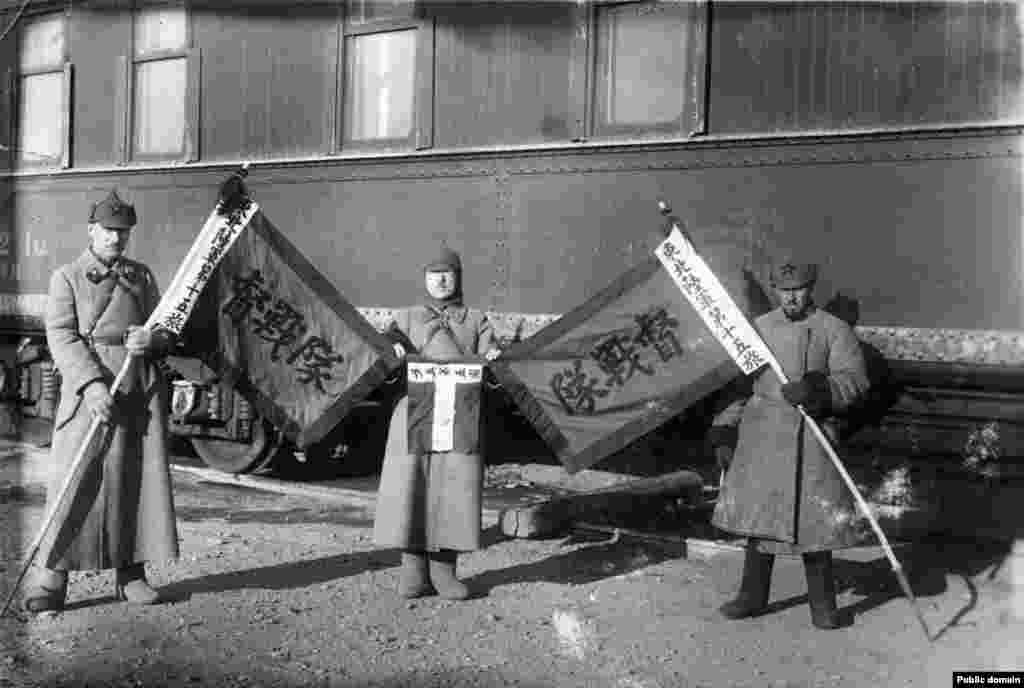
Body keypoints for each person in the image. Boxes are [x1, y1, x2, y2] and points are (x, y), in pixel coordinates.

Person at [24, 190, 179, 614]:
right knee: (74, 481)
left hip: (135, 389)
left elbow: (167, 328)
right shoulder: (66, 277)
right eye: (109, 231)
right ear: (92, 230)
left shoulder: (142, 277)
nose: (116, 239)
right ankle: (52, 580)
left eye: (123, 232)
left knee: (133, 482)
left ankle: (131, 575)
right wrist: (91, 385)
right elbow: (61, 335)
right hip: (85, 393)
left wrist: (155, 340)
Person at [707, 258, 870, 630]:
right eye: (784, 290)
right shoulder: (756, 330)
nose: (791, 298)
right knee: (759, 524)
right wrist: (723, 430)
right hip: (761, 439)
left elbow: (855, 380)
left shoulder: (834, 330)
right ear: (775, 290)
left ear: (811, 289)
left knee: (816, 528)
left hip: (812, 438)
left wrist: (818, 389)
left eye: (798, 290)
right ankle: (751, 596)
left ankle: (823, 607)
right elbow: (737, 386)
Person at [372, 245, 500, 600]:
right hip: (413, 412)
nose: (440, 280)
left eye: (448, 273)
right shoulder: (407, 317)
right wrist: (391, 350)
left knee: (455, 489)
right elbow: (382, 354)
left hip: (461, 417)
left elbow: (495, 364)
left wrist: (495, 359)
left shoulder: (476, 320)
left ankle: (445, 572)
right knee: (411, 487)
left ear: (458, 278)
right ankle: (412, 571)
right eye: (433, 274)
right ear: (424, 278)